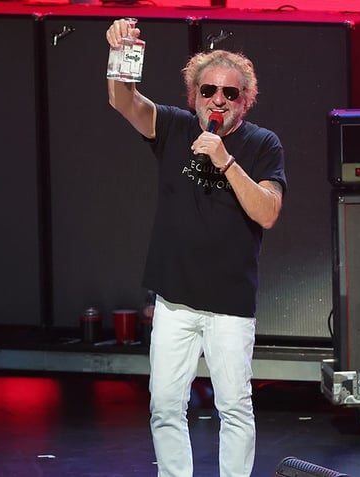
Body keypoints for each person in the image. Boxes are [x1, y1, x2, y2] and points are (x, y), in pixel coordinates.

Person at [106, 18, 286, 477]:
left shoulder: (262, 144)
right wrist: (123, 55)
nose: (218, 101)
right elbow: (122, 100)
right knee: (165, 404)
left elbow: (267, 211)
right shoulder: (174, 128)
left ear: (245, 100)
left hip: (229, 303)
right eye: (208, 92)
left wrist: (225, 160)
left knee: (234, 408)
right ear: (195, 97)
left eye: (229, 93)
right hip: (175, 298)